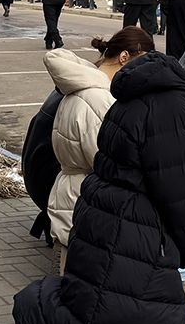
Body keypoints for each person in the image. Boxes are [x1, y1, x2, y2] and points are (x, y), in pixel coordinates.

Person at [12, 25, 185, 324]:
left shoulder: (148, 91)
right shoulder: (179, 109)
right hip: (135, 229)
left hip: (102, 215)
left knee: (99, 306)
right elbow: (180, 194)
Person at [44, 27, 155, 274]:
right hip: (84, 202)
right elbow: (105, 158)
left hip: (71, 194)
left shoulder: (82, 85)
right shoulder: (99, 99)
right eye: (142, 63)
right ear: (125, 57)